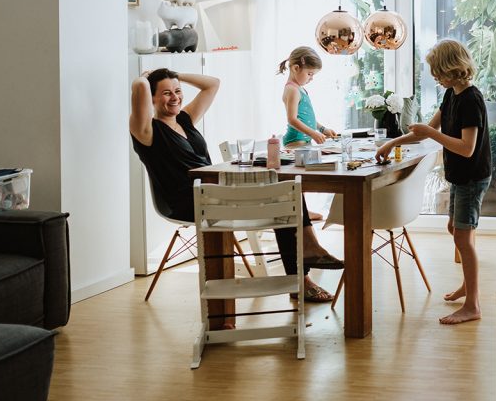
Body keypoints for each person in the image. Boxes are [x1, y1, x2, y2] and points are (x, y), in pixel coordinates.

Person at [129, 68, 342, 308]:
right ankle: (303, 269)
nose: (175, 97)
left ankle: (306, 257)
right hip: (188, 202)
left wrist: (176, 74)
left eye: (178, 91)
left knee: (286, 188)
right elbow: (138, 87)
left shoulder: (184, 120)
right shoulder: (146, 131)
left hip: (215, 193)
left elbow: (213, 83)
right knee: (283, 197)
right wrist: (146, 78)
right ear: (152, 98)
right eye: (166, 93)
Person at [375, 40, 491, 325]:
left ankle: (473, 304)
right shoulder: (452, 95)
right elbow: (427, 131)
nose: (435, 77)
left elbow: (466, 147)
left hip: (472, 176)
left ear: (453, 69)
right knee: (457, 228)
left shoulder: (470, 100)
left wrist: (430, 131)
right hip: (460, 175)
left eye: (438, 72)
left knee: (463, 235)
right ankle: (469, 285)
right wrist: (394, 142)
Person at [279, 46, 339, 148]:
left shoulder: (300, 89)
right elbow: (292, 119)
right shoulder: (292, 90)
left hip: (304, 142)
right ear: (296, 68)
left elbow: (306, 119)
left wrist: (322, 129)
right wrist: (313, 133)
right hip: (295, 142)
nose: (311, 78)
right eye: (309, 74)